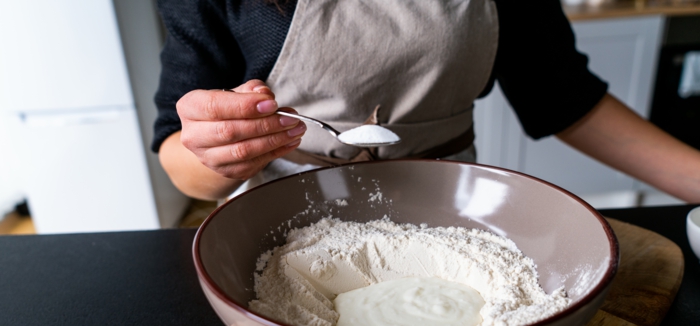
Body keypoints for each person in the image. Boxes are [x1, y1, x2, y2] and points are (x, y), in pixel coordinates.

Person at [153, 0, 700, 202]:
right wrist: (219, 151)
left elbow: (565, 99)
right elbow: (178, 158)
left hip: (452, 205)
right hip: (282, 216)